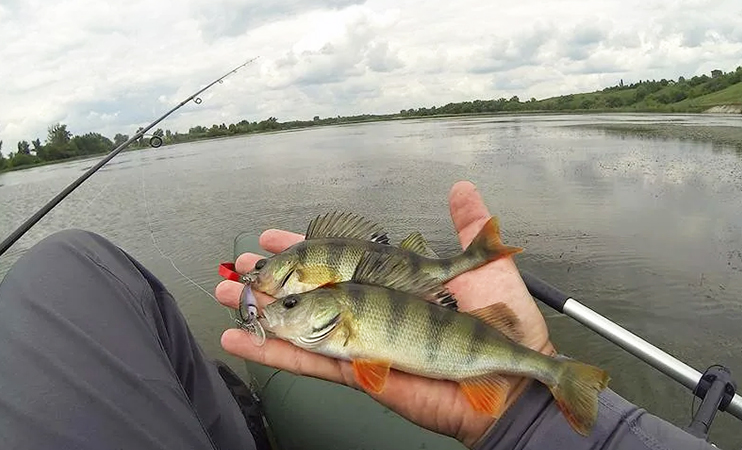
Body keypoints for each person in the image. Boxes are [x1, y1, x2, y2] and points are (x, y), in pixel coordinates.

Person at [0, 181, 719, 450]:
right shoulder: (330, 313)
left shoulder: (336, 309)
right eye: (286, 305)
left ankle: (554, 372)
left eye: (291, 304)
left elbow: (357, 331)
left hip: (494, 367)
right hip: (493, 386)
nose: (280, 310)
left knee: (70, 260)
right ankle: (553, 374)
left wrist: (529, 393)